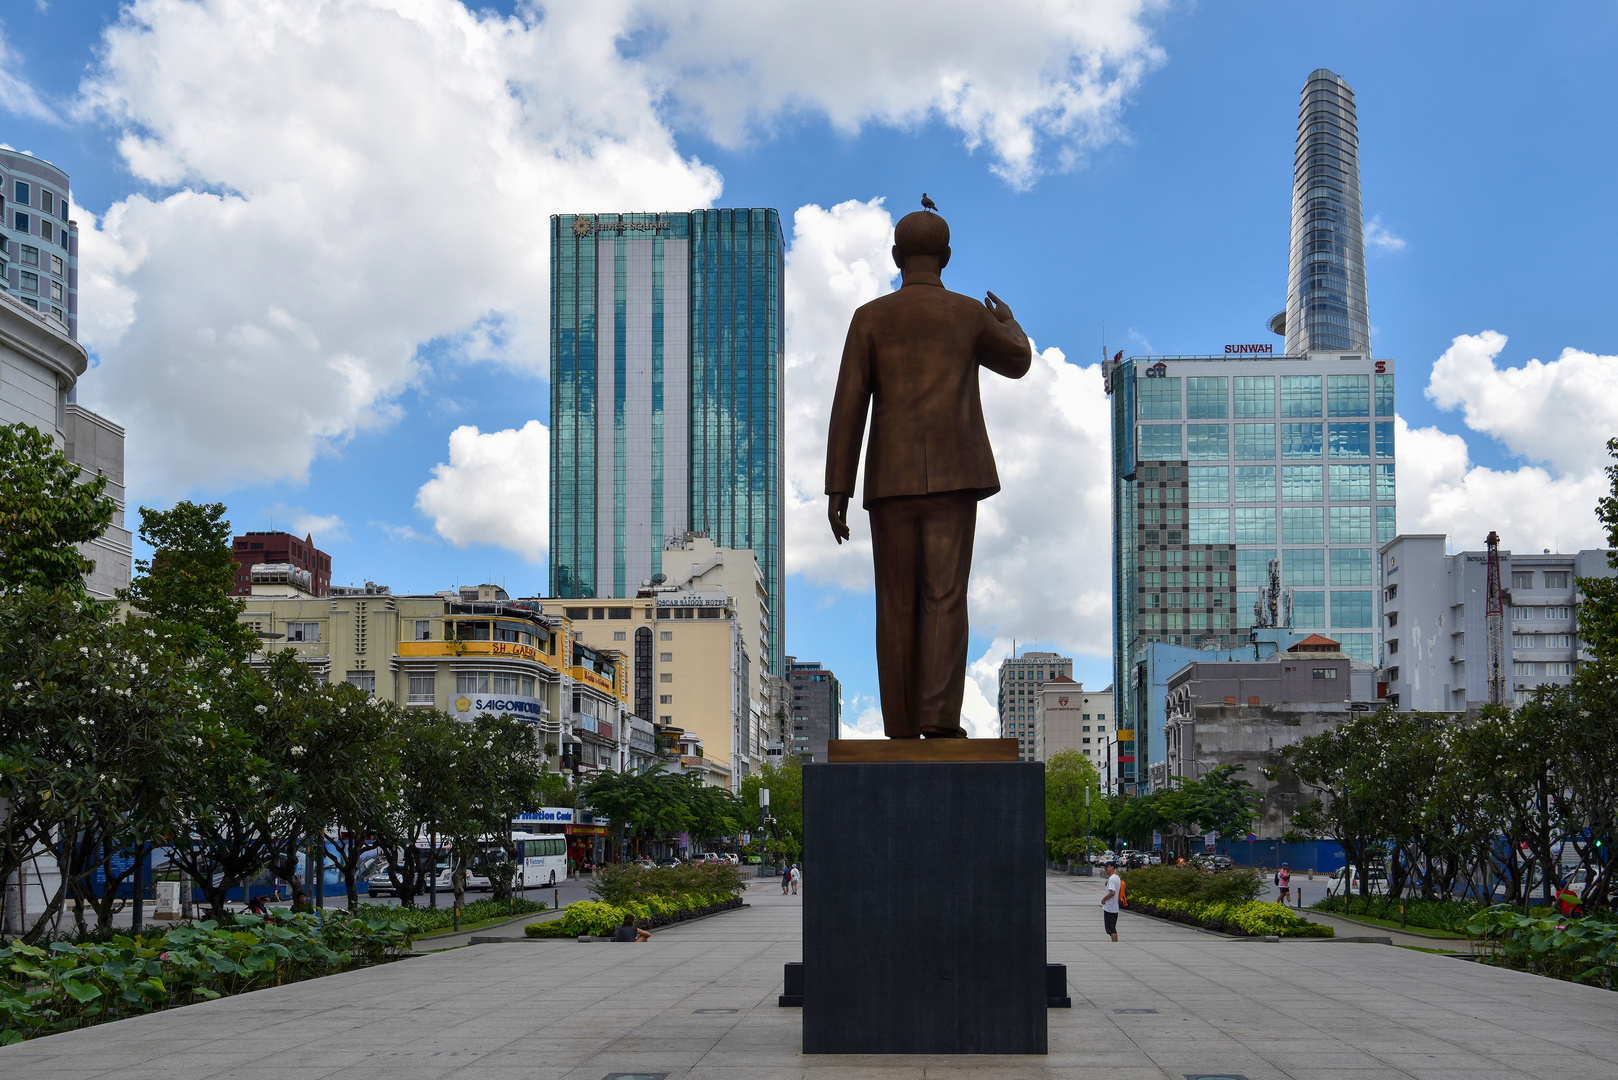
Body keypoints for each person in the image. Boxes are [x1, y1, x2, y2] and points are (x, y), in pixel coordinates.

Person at [824, 209, 1032, 738]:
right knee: (944, 596)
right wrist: (1008, 319)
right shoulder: (967, 314)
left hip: (889, 482)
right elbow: (1018, 360)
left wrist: (838, 488)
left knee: (894, 601)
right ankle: (939, 721)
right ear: (946, 257)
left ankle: (898, 724)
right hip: (955, 474)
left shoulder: (869, 317)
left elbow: (848, 406)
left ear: (897, 258)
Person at [1100, 861, 1122, 942]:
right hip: (1114, 907)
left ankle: (1115, 944)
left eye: (1107, 867)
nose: (1105, 869)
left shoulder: (1112, 878)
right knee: (1111, 929)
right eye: (1105, 867)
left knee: (1111, 929)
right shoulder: (1116, 877)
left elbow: (1112, 892)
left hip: (1110, 907)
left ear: (1112, 867)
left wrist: (1104, 899)